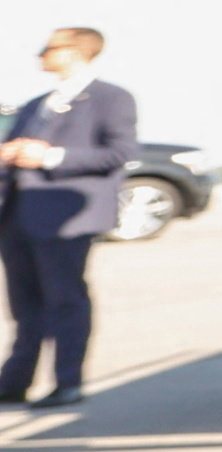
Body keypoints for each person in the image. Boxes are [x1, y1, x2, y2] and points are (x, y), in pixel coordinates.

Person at [2, 26, 137, 413]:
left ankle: (68, 381)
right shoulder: (37, 103)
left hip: (65, 218)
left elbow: (120, 152)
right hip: (18, 216)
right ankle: (15, 381)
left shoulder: (110, 98)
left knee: (65, 299)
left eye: (49, 47)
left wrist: (50, 157)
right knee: (23, 304)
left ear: (77, 52)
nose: (40, 53)